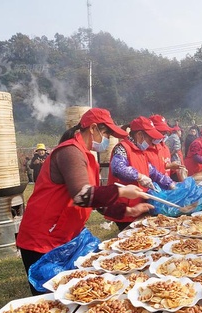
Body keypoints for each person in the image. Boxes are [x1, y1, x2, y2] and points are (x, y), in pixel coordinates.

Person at [16, 108, 153, 295]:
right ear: (93, 128)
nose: (107, 139)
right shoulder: (70, 152)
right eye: (106, 133)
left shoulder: (88, 157)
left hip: (66, 235)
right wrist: (121, 190)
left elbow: (97, 201)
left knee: (79, 292)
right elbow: (82, 195)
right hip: (42, 238)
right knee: (52, 299)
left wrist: (127, 212)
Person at [106, 116, 176, 231]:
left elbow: (152, 171)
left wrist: (169, 183)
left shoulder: (140, 150)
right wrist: (139, 176)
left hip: (139, 205)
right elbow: (118, 168)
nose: (151, 143)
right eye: (150, 139)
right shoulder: (122, 148)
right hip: (125, 208)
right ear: (139, 135)